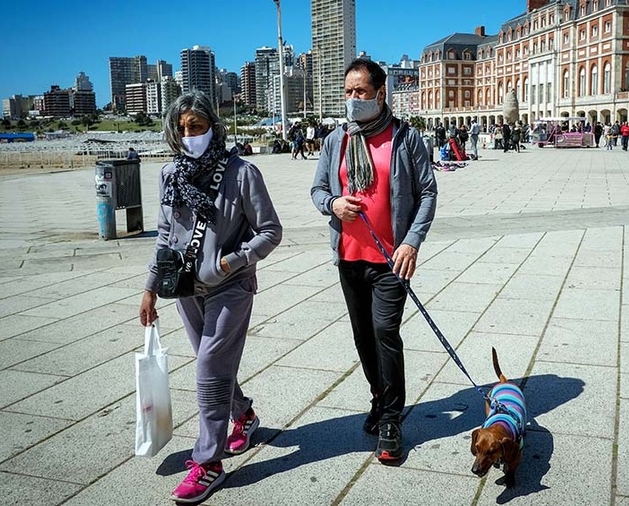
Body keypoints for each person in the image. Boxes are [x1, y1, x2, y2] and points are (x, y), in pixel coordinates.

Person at [138, 90, 283, 503]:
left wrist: (233, 260)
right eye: (182, 129)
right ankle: (245, 417)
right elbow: (166, 237)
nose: (190, 135)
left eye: (197, 127)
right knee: (216, 368)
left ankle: (209, 462)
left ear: (212, 127)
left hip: (230, 287)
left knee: (207, 371)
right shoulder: (171, 175)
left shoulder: (242, 173)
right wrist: (149, 289)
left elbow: (270, 231)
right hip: (185, 288)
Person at [310, 58, 437, 462]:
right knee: (363, 337)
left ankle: (392, 419)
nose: (352, 99)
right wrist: (333, 203)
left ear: (380, 94)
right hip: (349, 257)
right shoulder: (337, 141)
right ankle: (379, 396)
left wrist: (411, 242)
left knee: (385, 331)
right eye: (347, 92)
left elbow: (428, 192)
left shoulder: (405, 137)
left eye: (360, 92)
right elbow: (317, 190)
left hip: (390, 259)